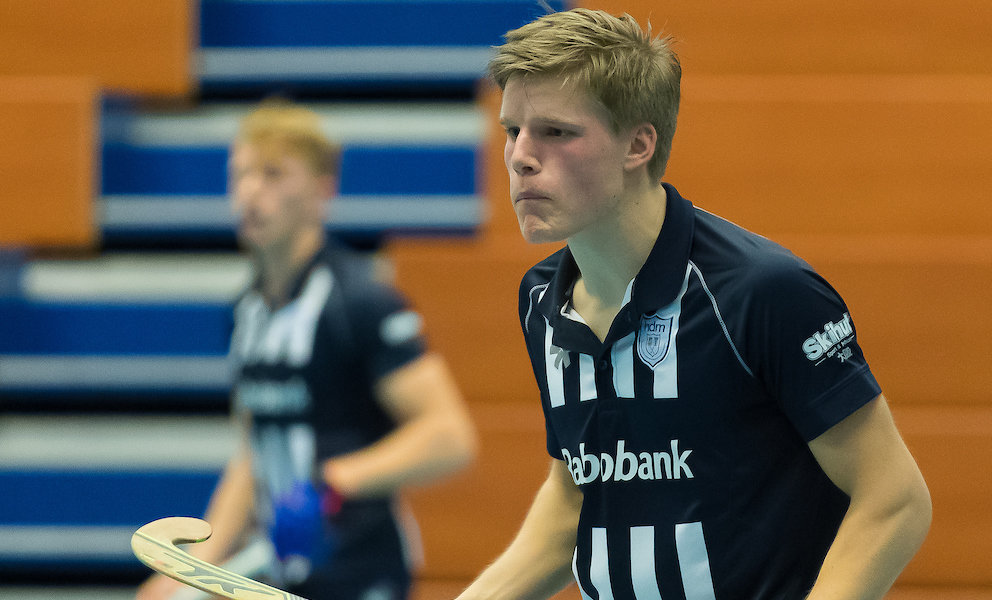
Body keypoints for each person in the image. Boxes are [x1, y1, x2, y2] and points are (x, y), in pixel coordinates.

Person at [456, 8, 931, 600]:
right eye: (512, 130)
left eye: (555, 132)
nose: (520, 156)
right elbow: (578, 494)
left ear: (638, 144)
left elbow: (893, 500)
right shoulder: (541, 300)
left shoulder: (762, 291)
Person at [137, 99, 477, 600]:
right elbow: (254, 451)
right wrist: (194, 566)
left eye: (273, 174)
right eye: (241, 174)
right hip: (282, 575)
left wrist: (340, 478)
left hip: (362, 572)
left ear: (322, 189)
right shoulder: (244, 313)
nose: (250, 192)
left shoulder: (359, 302)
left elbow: (449, 437)